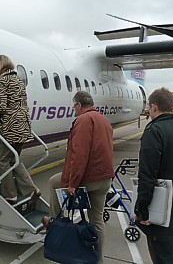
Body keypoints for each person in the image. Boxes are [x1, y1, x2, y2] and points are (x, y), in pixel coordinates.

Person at [43, 91, 114, 264]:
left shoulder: (83, 120)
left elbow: (79, 154)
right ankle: (98, 259)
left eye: (74, 106)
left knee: (53, 182)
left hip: (88, 178)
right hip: (105, 178)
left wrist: (73, 183)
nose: (74, 110)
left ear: (79, 105)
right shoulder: (104, 120)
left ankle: (53, 221)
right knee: (97, 220)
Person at [134, 87, 173, 264]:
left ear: (154, 107)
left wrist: (142, 209)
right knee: (171, 251)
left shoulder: (154, 131)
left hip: (161, 206)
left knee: (162, 255)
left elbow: (147, 175)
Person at [0, 55, 40, 204]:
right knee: (15, 159)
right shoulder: (18, 79)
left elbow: (1, 107)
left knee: (3, 160)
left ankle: (10, 194)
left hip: (11, 127)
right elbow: (15, 100)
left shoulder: (2, 80)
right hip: (23, 125)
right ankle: (32, 190)